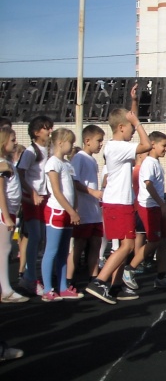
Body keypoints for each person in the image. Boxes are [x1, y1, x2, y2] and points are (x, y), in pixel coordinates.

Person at [85, 85, 152, 305]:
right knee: (128, 246)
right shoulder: (117, 147)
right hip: (118, 203)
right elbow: (146, 144)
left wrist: (133, 104)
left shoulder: (118, 145)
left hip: (120, 202)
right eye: (131, 127)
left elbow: (130, 122)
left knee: (125, 246)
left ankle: (114, 287)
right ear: (122, 127)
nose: (134, 130)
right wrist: (138, 123)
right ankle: (100, 282)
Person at [126, 131, 166, 289]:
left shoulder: (156, 163)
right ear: (153, 144)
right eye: (164, 145)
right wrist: (162, 204)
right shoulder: (148, 162)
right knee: (154, 241)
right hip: (149, 206)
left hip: (157, 205)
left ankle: (161, 276)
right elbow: (148, 185)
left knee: (162, 242)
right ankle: (129, 269)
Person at [40, 128, 81, 301]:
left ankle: (63, 286)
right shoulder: (53, 163)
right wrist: (71, 210)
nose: (72, 146)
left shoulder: (68, 164)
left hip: (68, 212)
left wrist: (75, 208)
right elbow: (56, 191)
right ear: (60, 143)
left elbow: (72, 189)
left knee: (64, 251)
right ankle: (48, 288)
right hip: (56, 211)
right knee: (52, 250)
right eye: (70, 142)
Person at [17, 115, 54, 296]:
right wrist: (32, 194)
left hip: (44, 197)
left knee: (41, 238)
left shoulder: (47, 150)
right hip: (32, 198)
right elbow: (20, 173)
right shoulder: (31, 152)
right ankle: (29, 277)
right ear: (36, 132)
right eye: (46, 128)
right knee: (35, 236)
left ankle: (32, 275)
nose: (50, 131)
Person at [70, 125, 105, 289]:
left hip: (94, 211)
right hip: (84, 209)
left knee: (96, 243)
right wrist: (92, 192)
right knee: (79, 244)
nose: (101, 144)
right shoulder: (79, 158)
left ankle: (94, 278)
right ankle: (69, 278)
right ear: (87, 140)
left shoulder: (92, 159)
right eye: (99, 141)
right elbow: (74, 181)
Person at [0, 127, 29, 303]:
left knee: (4, 249)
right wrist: (6, 215)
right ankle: (7, 290)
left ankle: (4, 288)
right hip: (5, 211)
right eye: (12, 140)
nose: (15, 142)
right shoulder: (2, 165)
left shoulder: (7, 163)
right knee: (4, 250)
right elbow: (1, 193)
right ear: (3, 143)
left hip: (10, 210)